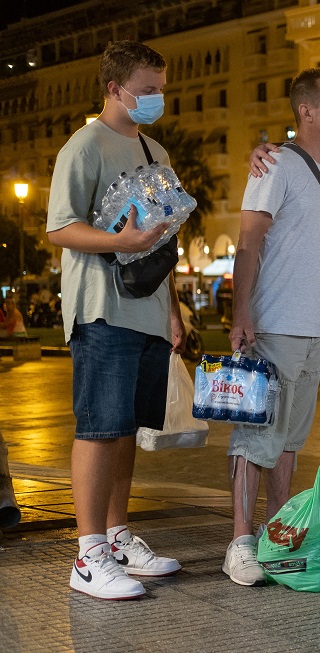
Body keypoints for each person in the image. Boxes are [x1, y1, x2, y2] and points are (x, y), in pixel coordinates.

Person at [47, 40, 184, 600]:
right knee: (100, 426)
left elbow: (163, 239)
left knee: (127, 428)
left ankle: (120, 536)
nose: (156, 99)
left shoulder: (156, 152)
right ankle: (89, 555)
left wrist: (174, 311)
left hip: (148, 309)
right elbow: (59, 228)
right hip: (101, 307)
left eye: (160, 90)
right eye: (147, 90)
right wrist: (116, 241)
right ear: (114, 88)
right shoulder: (85, 146)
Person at [223, 67, 320, 586]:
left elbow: (295, 240)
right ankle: (239, 541)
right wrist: (240, 312)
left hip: (307, 332)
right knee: (254, 438)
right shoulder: (274, 162)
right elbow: (248, 241)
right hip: (273, 326)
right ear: (307, 111)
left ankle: (277, 535)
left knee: (288, 441)